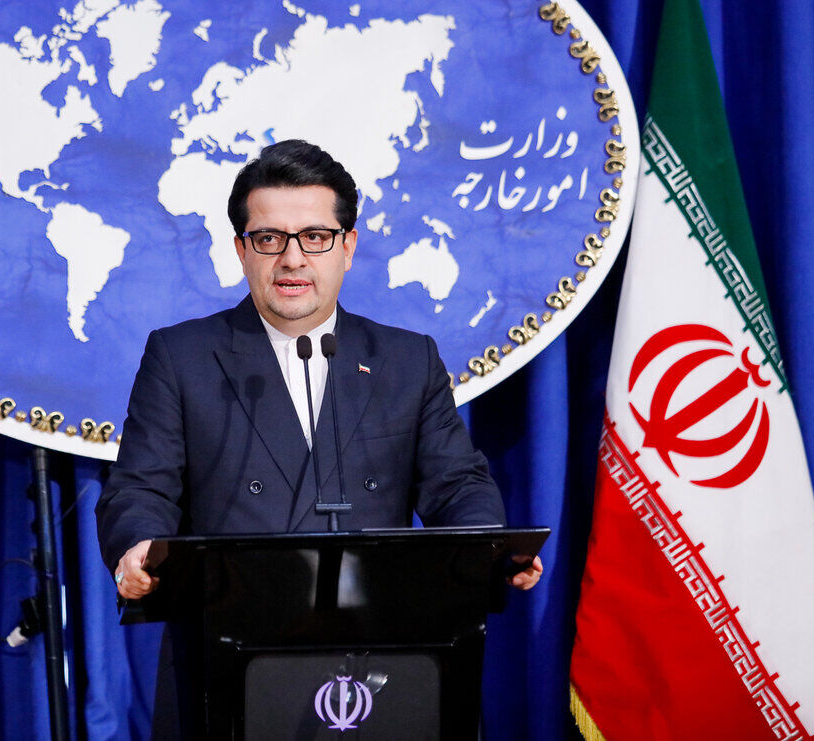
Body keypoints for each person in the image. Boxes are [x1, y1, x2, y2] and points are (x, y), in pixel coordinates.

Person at [96, 139, 542, 597]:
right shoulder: (181, 357)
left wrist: (488, 546)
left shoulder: (408, 360)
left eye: (314, 237)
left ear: (347, 247)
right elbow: (140, 490)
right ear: (242, 251)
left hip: (378, 624)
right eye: (269, 239)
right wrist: (137, 545)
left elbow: (456, 486)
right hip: (227, 618)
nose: (292, 259)